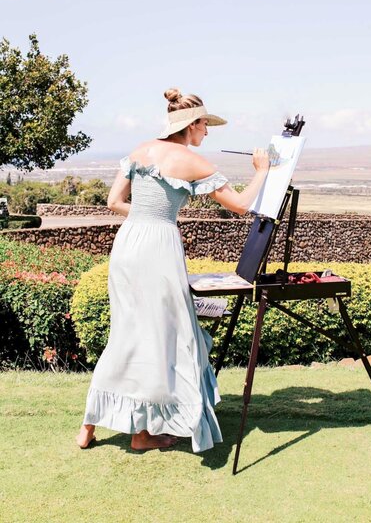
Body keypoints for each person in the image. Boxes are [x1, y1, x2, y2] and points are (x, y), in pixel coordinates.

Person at [76, 88, 269, 452]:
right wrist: (262, 172)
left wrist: (148, 219)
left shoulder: (139, 150)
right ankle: (143, 432)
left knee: (127, 334)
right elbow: (242, 206)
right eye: (205, 126)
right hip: (158, 248)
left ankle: (94, 425)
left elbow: (113, 202)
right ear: (192, 124)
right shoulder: (192, 162)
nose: (207, 133)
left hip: (128, 244)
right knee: (161, 338)